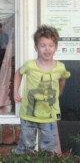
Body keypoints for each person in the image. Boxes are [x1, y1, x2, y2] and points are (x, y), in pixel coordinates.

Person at [14, 25, 70, 154]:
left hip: (50, 115)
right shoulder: (30, 65)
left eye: (50, 45)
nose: (47, 49)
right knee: (26, 147)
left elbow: (63, 78)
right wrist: (15, 92)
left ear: (55, 48)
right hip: (29, 114)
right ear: (36, 48)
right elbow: (18, 73)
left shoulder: (60, 67)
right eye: (43, 45)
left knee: (50, 148)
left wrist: (59, 91)